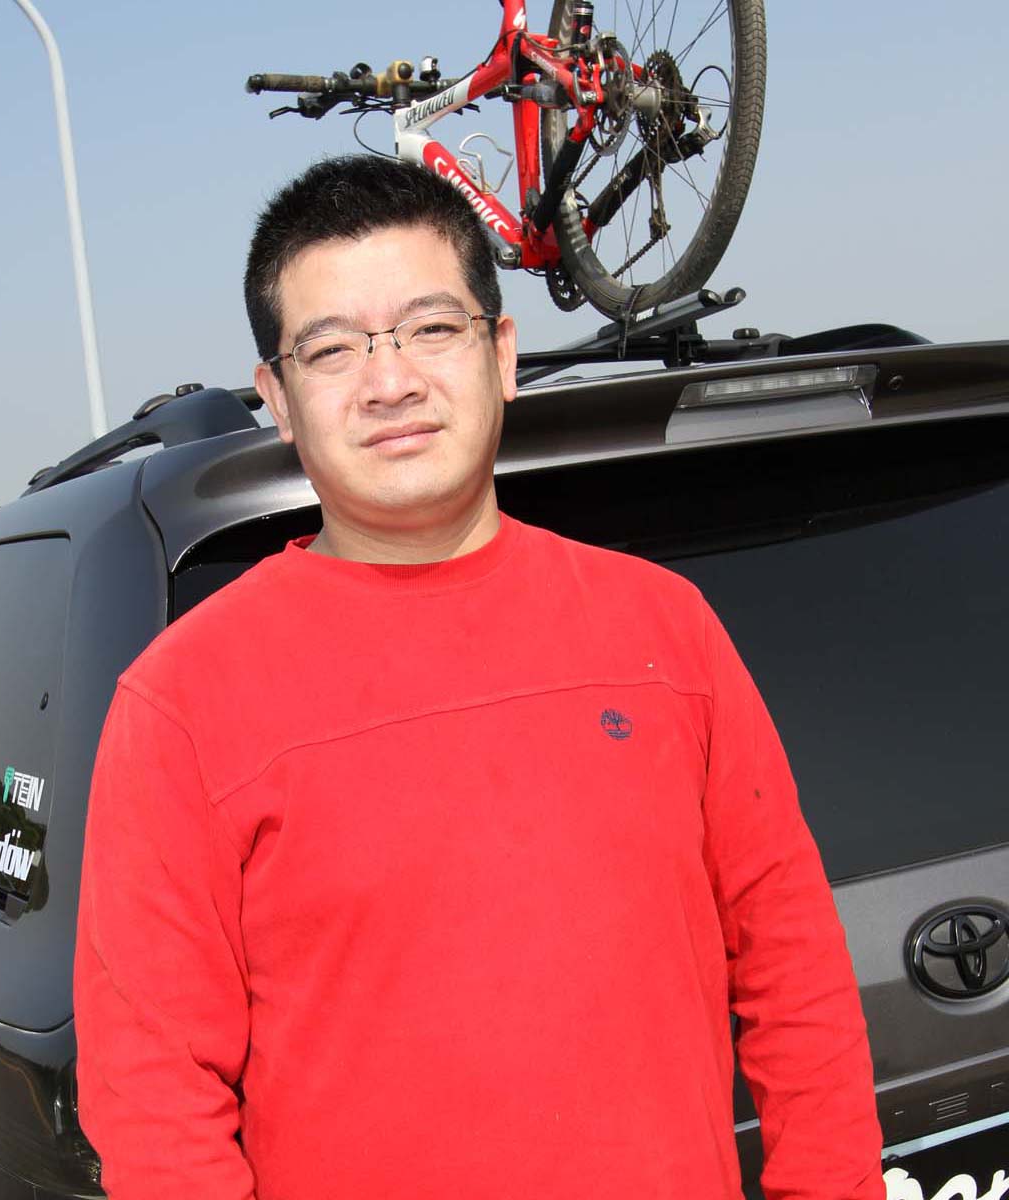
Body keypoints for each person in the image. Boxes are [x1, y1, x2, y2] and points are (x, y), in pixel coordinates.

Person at [73, 154, 884, 1200]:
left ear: (502, 353)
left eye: (431, 328)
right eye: (333, 349)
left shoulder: (664, 630)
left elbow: (793, 968)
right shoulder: (181, 703)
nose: (391, 382)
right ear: (277, 399)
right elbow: (155, 1100)